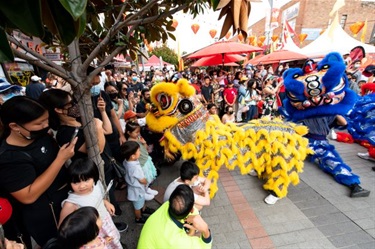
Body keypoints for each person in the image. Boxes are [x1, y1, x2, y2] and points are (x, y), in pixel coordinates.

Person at [0, 96, 76, 247]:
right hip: (48, 215)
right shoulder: (8, 158)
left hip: (67, 200)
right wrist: (60, 159)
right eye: (39, 123)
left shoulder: (40, 135)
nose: (46, 125)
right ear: (15, 126)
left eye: (46, 120)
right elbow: (27, 196)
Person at [58, 158, 122, 248]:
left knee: (114, 241)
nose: (82, 185)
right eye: (76, 182)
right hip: (91, 234)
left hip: (106, 221)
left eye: (86, 180)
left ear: (94, 177)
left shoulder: (96, 185)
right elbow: (63, 228)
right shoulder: (71, 204)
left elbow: (97, 198)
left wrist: (106, 202)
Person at [138, 185, 213, 249]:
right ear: (191, 210)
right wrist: (205, 230)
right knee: (198, 235)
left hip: (155, 241)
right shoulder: (176, 241)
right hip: (165, 241)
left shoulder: (168, 204)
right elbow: (204, 247)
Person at [121, 141, 155, 224]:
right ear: (132, 156)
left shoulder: (126, 161)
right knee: (137, 206)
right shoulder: (135, 168)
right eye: (139, 151)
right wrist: (146, 181)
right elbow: (142, 180)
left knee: (141, 201)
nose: (140, 152)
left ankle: (143, 209)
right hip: (137, 190)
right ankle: (138, 217)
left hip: (136, 188)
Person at [124, 121, 158, 200]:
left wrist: (144, 143)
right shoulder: (130, 143)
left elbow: (146, 149)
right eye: (136, 132)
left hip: (146, 160)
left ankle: (147, 189)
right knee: (144, 179)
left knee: (149, 178)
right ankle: (143, 192)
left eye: (139, 131)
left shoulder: (139, 138)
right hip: (141, 164)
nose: (138, 133)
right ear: (129, 132)